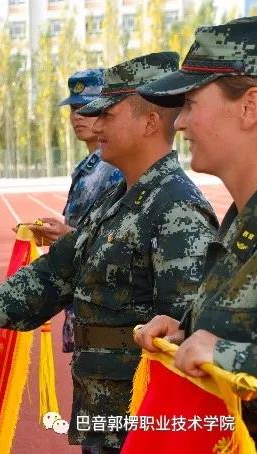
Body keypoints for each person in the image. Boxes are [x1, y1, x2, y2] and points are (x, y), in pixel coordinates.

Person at [0, 52, 219, 453]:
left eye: (108, 115)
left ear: (150, 122)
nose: (96, 125)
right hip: (104, 411)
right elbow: (52, 275)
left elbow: (182, 336)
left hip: (141, 424)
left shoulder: (176, 209)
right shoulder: (118, 199)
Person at [133, 17, 257, 438]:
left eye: (191, 104)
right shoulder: (239, 224)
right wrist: (186, 332)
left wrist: (230, 356)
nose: (179, 123)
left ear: (249, 106)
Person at [21, 68, 123, 353]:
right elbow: (83, 229)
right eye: (74, 109)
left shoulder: (114, 168)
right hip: (83, 300)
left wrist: (68, 235)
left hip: (103, 308)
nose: (78, 116)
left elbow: (117, 240)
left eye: (88, 109)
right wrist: (52, 233)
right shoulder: (89, 167)